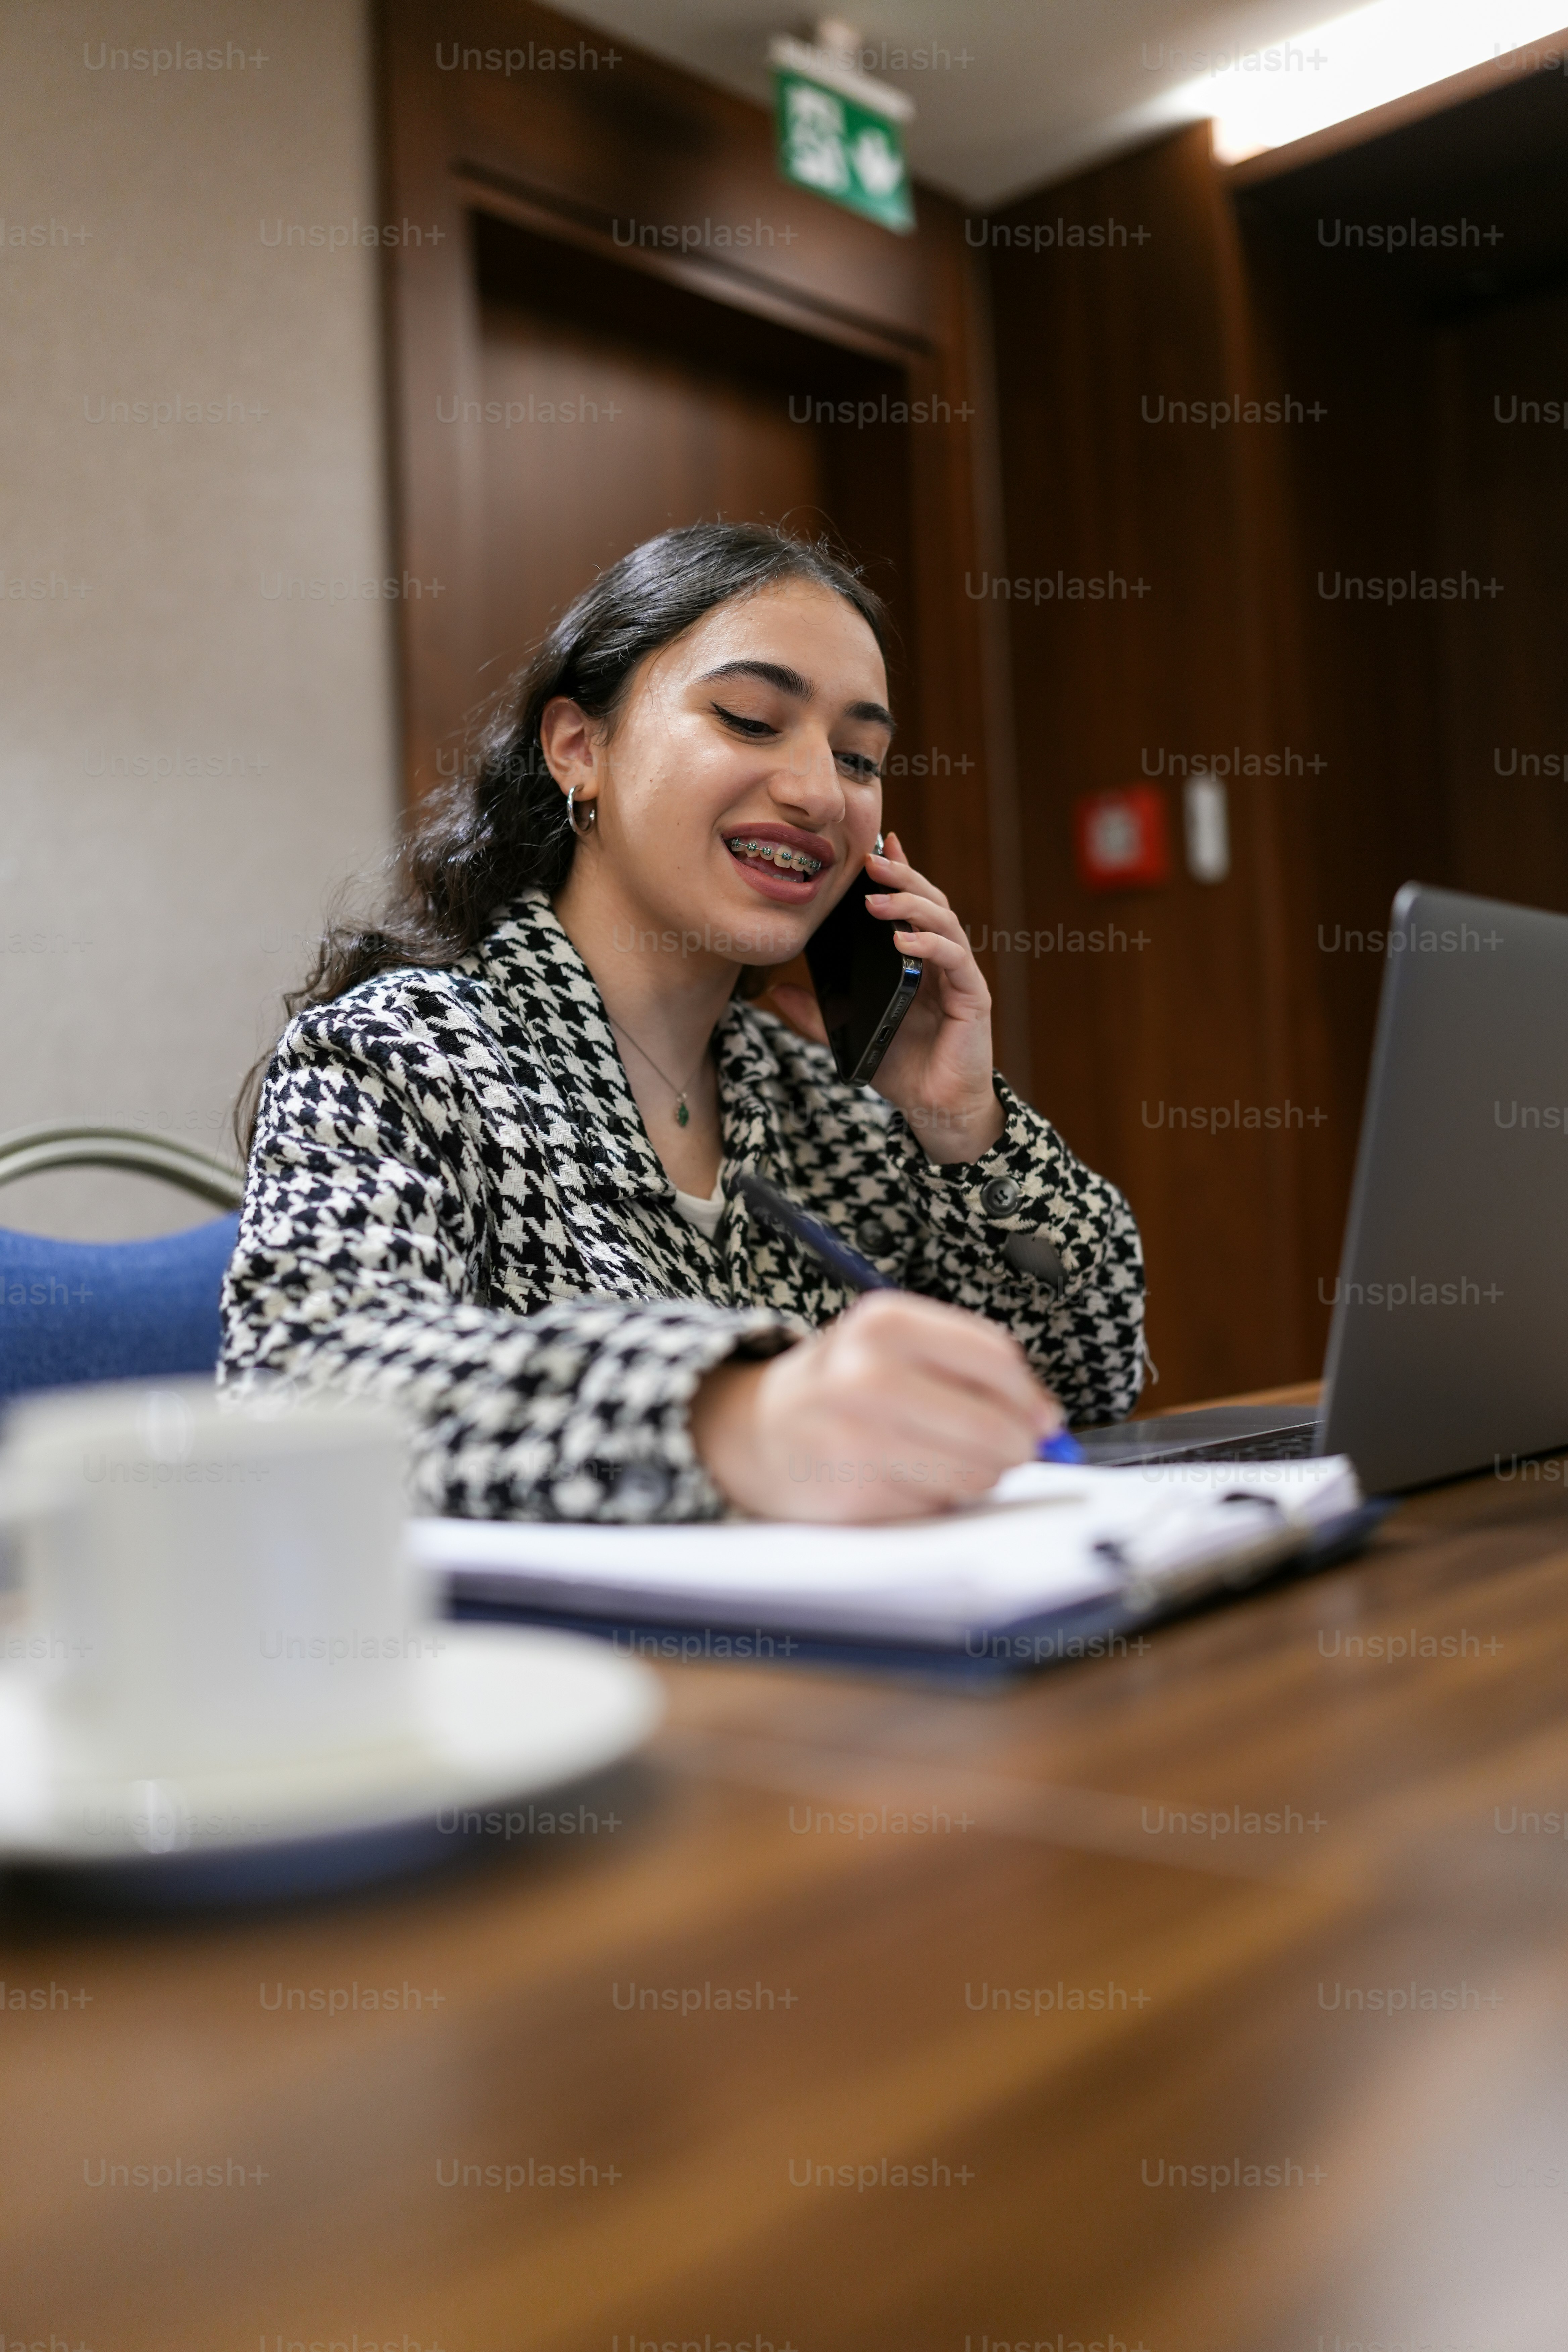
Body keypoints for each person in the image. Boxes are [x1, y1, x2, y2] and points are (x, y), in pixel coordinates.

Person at [220, 523, 1144, 1523]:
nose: (817, 793)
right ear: (580, 749)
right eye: (751, 719)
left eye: (860, 756)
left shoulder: (821, 1101)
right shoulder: (400, 1052)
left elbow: (1091, 1377)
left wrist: (964, 1130)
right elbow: (304, 1393)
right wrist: (731, 1413)